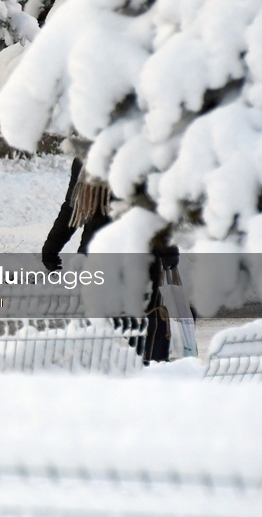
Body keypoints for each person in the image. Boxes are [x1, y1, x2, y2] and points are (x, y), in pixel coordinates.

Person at [42, 154, 173, 363]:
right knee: (143, 325)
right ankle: (150, 369)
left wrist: (51, 248)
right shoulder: (142, 154)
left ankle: (107, 370)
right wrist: (168, 253)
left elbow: (72, 208)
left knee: (101, 326)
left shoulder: (87, 157)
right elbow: (159, 208)